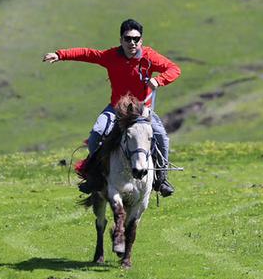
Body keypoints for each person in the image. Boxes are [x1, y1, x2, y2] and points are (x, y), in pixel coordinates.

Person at [42, 18, 181, 197]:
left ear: (141, 40)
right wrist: (59, 54)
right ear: (121, 40)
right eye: (128, 38)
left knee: (162, 136)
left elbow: (174, 69)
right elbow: (87, 54)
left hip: (141, 110)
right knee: (96, 135)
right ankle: (95, 177)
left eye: (136, 39)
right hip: (116, 109)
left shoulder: (149, 57)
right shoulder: (111, 56)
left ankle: (161, 179)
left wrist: (158, 80)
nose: (132, 42)